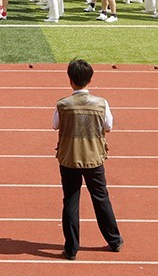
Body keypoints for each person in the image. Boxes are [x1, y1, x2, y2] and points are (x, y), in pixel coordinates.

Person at [52, 58, 123, 260]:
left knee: (71, 202)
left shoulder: (63, 104)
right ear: (90, 80)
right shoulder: (101, 103)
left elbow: (54, 125)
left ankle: (72, 248)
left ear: (70, 80)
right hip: (94, 158)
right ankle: (114, 240)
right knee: (101, 199)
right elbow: (108, 126)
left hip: (69, 159)